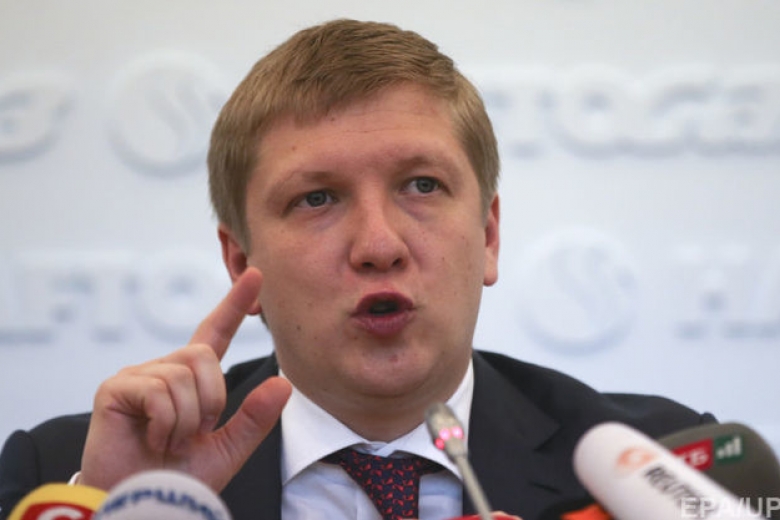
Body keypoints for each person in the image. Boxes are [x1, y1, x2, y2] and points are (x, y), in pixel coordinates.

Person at [0, 19, 714, 520]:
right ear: (241, 260)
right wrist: (121, 513)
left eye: (422, 186)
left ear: (489, 235)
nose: (378, 245)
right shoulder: (64, 480)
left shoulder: (670, 470)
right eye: (317, 199)